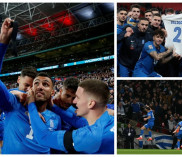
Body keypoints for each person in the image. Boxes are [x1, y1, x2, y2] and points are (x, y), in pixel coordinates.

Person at [0, 18, 61, 154]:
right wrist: (3, 43)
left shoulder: (56, 118)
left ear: (52, 91)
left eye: (45, 84)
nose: (39, 87)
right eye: (36, 83)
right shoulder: (13, 104)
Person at [27, 79, 114, 154]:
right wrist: (54, 107)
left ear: (91, 103)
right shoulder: (109, 120)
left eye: (77, 98)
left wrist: (31, 104)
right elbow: (76, 121)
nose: (73, 102)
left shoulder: (91, 136)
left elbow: (44, 137)